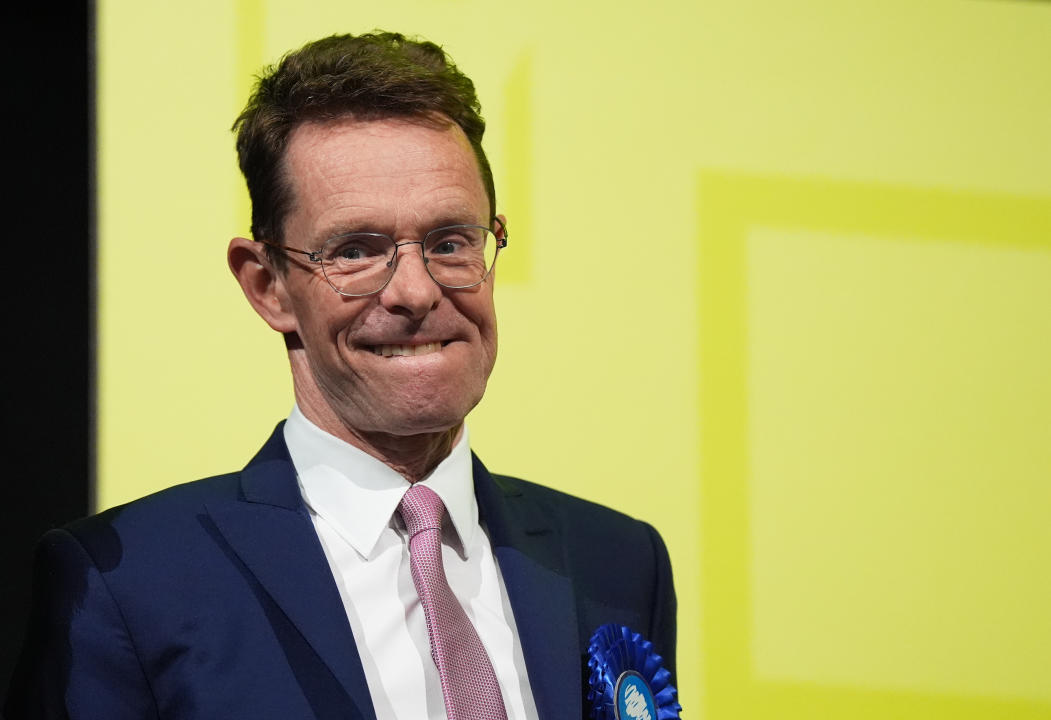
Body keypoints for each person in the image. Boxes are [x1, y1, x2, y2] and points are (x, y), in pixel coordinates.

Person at [5, 32, 676, 719]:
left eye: (450, 242)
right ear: (267, 285)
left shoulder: (617, 561)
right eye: (355, 251)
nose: (415, 291)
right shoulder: (129, 584)